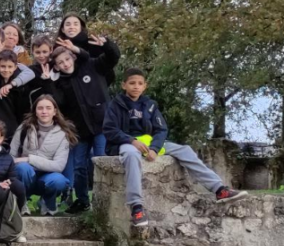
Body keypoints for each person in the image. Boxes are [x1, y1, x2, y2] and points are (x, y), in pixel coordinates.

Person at [103, 68, 246, 228]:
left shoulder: (150, 105)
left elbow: (161, 129)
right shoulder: (115, 105)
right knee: (131, 156)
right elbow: (109, 129)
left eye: (140, 83)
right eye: (132, 83)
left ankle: (219, 189)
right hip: (127, 144)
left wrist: (155, 148)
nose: (136, 86)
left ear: (145, 86)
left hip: (150, 143)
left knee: (184, 150)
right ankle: (136, 207)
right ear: (124, 85)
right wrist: (131, 141)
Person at [42, 35, 120, 213]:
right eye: (60, 62)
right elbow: (58, 102)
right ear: (56, 66)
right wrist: (48, 82)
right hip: (79, 130)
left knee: (102, 160)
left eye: (67, 59)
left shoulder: (92, 65)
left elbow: (113, 57)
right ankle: (83, 200)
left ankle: (104, 201)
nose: (65, 64)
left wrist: (107, 44)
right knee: (79, 166)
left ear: (74, 57)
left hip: (101, 124)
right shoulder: (61, 82)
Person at [11, 95, 76, 215]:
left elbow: (58, 166)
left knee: (59, 180)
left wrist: (29, 159)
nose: (44, 111)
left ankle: (47, 203)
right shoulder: (24, 128)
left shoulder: (63, 134)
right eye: (40, 108)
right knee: (22, 168)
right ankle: (22, 202)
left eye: (48, 108)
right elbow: (11, 157)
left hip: (48, 178)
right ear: (35, 111)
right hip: (25, 176)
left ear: (54, 111)